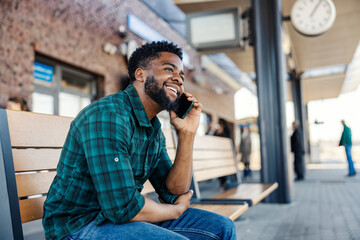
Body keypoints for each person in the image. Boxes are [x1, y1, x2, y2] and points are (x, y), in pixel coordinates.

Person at [43, 41, 237, 240]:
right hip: (78, 225)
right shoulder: (108, 115)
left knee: (224, 228)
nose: (178, 80)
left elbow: (173, 192)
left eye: (181, 76)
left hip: (119, 218)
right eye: (169, 69)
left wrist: (187, 134)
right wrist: (175, 212)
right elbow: (123, 207)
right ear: (140, 74)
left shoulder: (152, 127)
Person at [214, 119, 231, 189]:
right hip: (218, 154)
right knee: (219, 170)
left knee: (224, 170)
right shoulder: (216, 131)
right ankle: (222, 183)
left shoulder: (227, 131)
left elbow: (228, 141)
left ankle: (224, 183)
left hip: (224, 154)